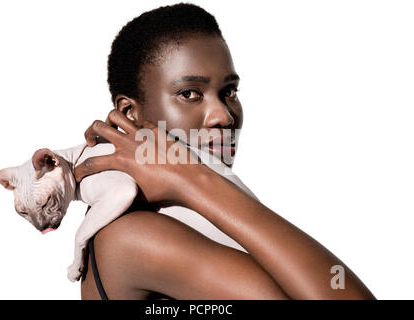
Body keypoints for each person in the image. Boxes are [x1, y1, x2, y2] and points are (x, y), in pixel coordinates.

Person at [76, 3, 375, 300]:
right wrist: (195, 181)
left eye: (229, 92)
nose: (223, 116)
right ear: (130, 114)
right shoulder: (132, 236)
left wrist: (194, 182)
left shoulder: (189, 217)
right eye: (189, 93)